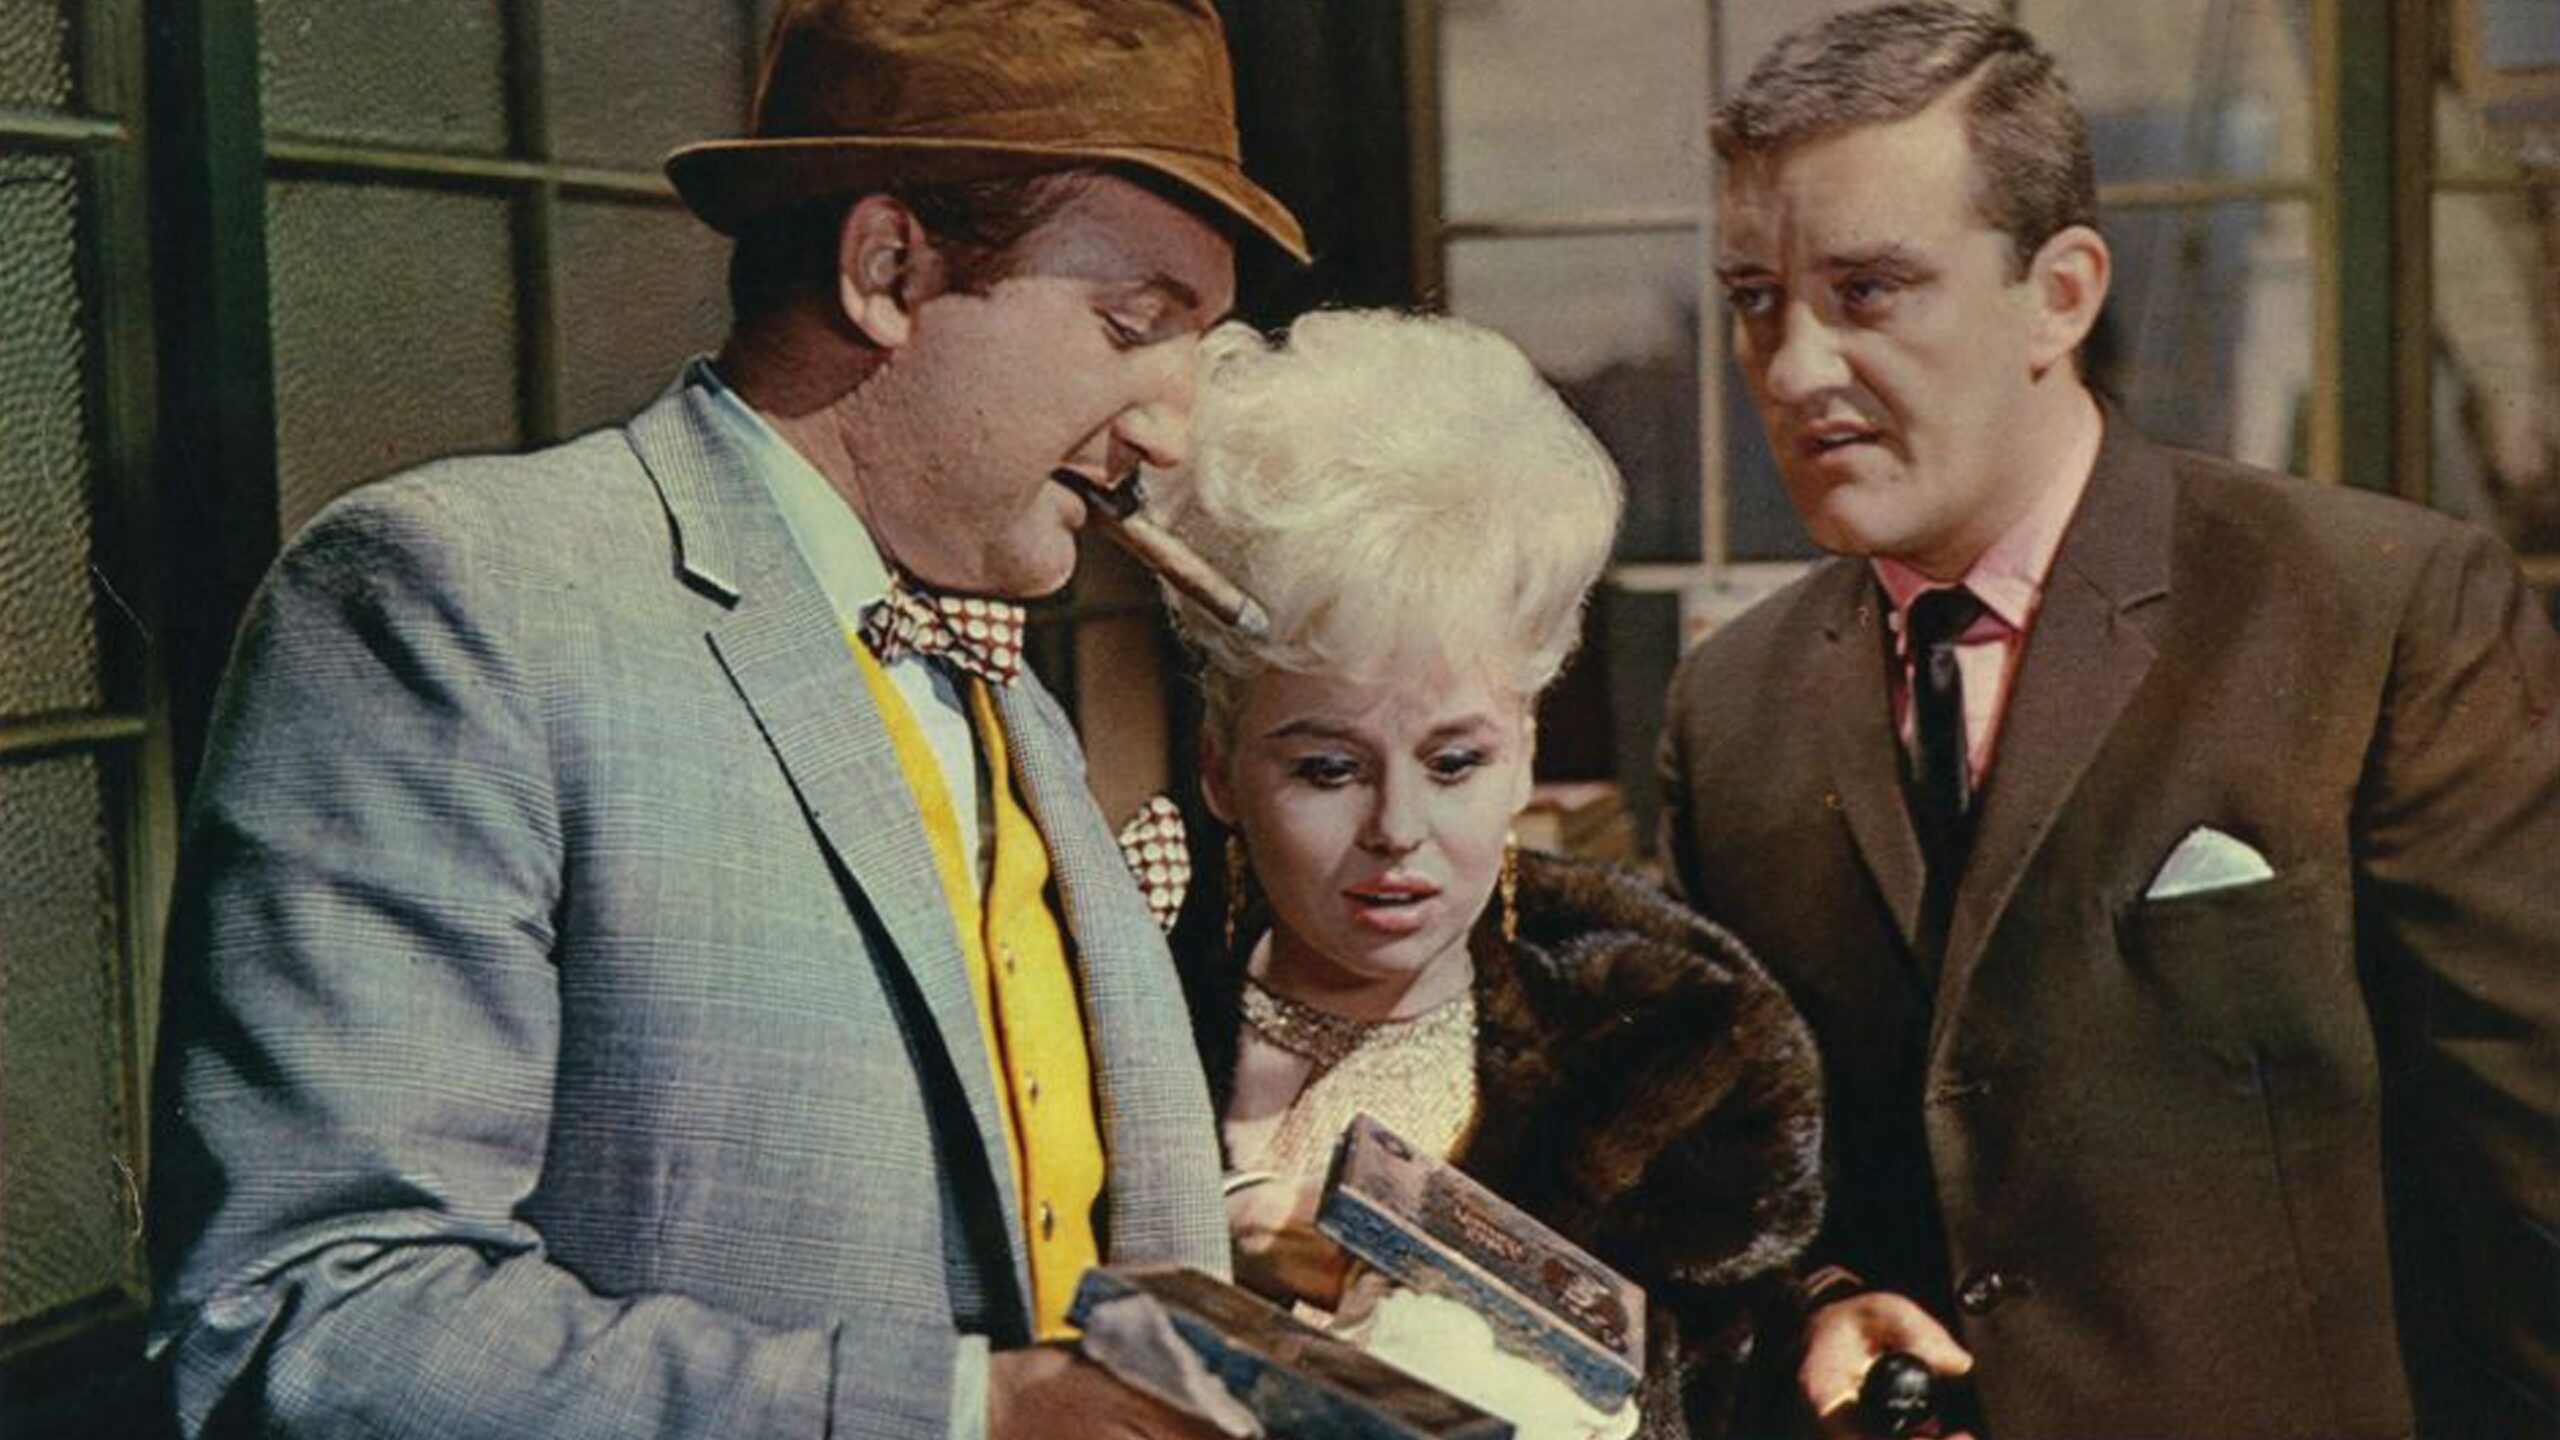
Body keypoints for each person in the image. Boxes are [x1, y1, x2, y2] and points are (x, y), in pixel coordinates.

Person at [145, 3, 1309, 1437]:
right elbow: (313, 1314)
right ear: (888, 272)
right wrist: (965, 1415)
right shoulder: (456, 600)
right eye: (1134, 328)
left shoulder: (1001, 678)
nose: (1172, 431)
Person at [1655, 4, 2560, 1437]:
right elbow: (1728, 1191)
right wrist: (1820, 1301)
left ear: (2061, 294)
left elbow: (2537, 1188)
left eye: (1869, 291)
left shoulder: (2378, 612)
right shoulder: (1730, 709)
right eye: (1757, 299)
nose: (1791, 367)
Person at [1122, 311, 1825, 1439]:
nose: (1397, 828)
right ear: (1219, 769)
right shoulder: (1107, 1017)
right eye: (1326, 767)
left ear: (1527, 755)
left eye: (1454, 763)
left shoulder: (1674, 1054)